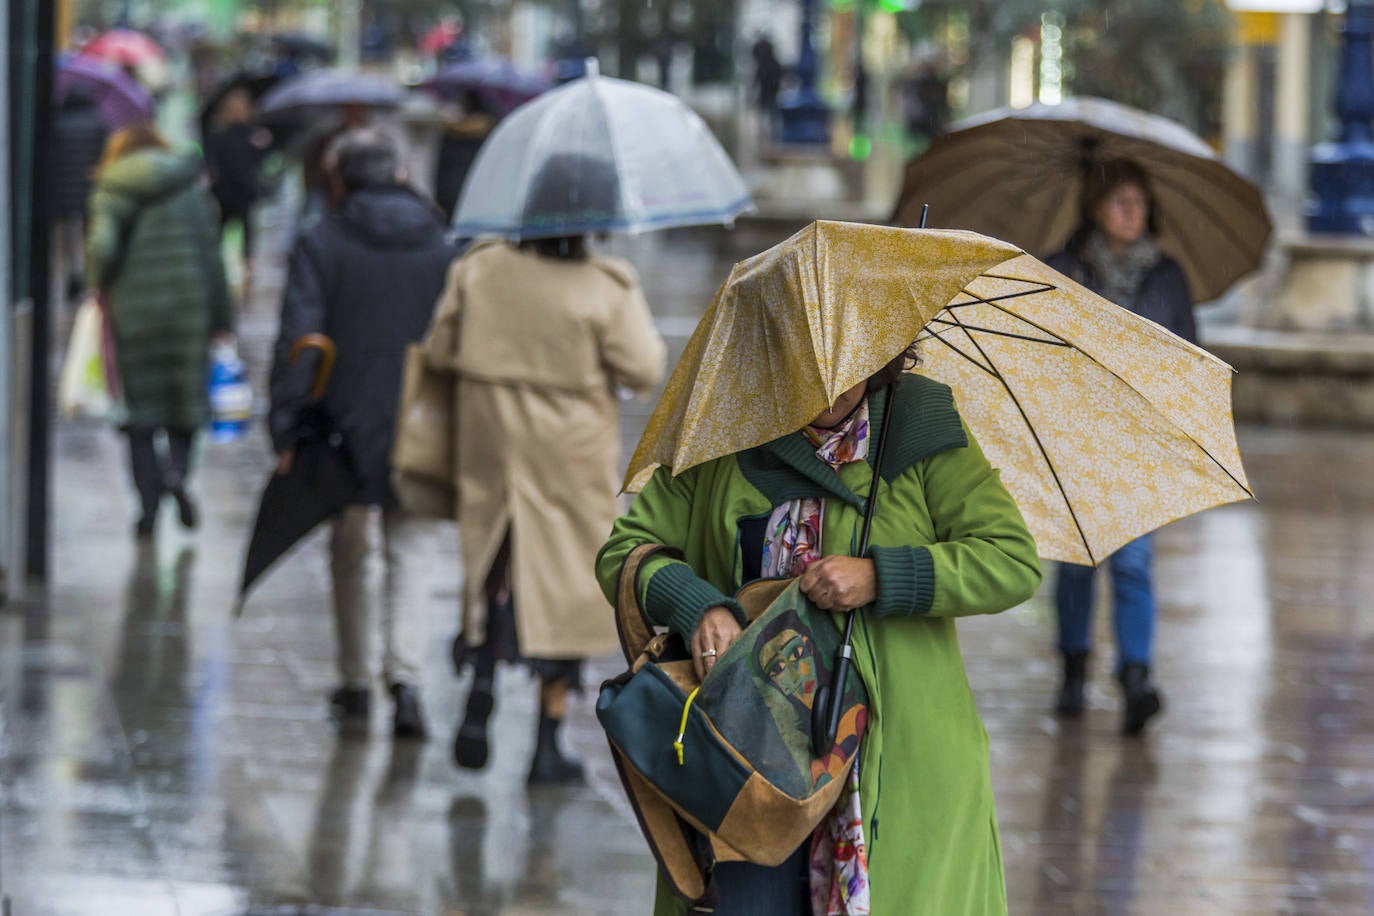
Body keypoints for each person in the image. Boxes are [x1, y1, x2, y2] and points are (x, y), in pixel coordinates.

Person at [596, 346, 1042, 914]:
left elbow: (1011, 561)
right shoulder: (720, 433)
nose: (832, 391)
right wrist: (700, 606)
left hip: (898, 755)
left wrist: (883, 575)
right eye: (811, 370)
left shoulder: (919, 424)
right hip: (746, 760)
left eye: (849, 366)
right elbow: (624, 553)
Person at [421, 155, 666, 785]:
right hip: (569, 452)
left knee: (492, 563)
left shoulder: (479, 268)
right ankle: (546, 742)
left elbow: (441, 349)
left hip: (491, 443)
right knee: (564, 587)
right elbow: (643, 368)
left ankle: (480, 678)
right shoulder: (605, 286)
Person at [269, 128, 461, 739]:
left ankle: (355, 683)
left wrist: (287, 424)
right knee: (415, 550)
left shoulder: (320, 241)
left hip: (341, 423)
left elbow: (300, 339)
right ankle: (405, 680)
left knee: (352, 553)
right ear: (402, 173)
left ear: (339, 179)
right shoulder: (443, 244)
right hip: (422, 422)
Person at [1045, 157, 1194, 736]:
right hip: (1075, 439)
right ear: (1095, 208)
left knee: (1133, 564)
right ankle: (1073, 670)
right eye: (1119, 201)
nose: (1132, 212)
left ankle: (1136, 677)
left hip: (1140, 441)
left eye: (1139, 202)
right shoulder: (1064, 269)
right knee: (1078, 563)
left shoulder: (1167, 276)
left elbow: (1191, 360)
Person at [85, 123, 233, 540]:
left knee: (141, 416)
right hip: (190, 308)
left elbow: (102, 248)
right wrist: (222, 320)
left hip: (134, 311)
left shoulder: (111, 187)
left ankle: (147, 510)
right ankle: (177, 475)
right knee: (185, 407)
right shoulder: (189, 187)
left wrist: (98, 283)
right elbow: (212, 256)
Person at [203, 87, 271, 286]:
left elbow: (259, 160)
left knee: (248, 227)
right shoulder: (217, 133)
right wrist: (212, 171)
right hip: (224, 190)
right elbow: (210, 156)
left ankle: (248, 262)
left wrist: (262, 144)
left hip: (245, 188)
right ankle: (215, 262)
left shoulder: (252, 133)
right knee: (219, 228)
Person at [54, 88, 108, 302]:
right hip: (89, 188)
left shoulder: (58, 124)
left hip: (63, 190)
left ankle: (73, 273)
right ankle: (85, 277)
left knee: (69, 234)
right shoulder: (98, 124)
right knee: (89, 235)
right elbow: (104, 157)